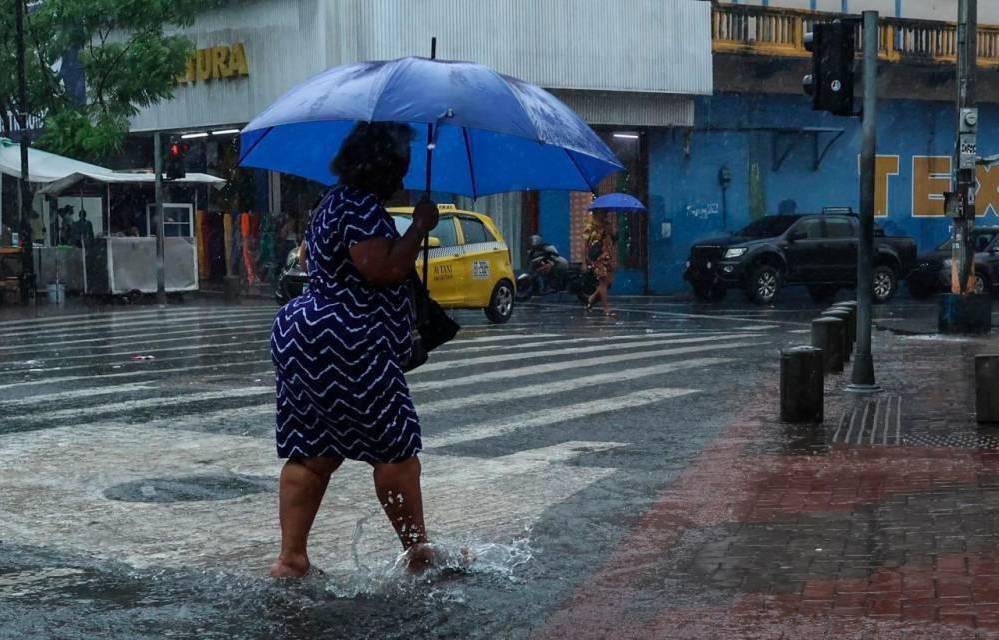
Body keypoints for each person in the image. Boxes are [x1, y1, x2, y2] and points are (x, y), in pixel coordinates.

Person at [269, 122, 440, 578]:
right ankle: (419, 555)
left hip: (306, 333)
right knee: (395, 450)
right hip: (350, 340)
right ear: (386, 167)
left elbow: (314, 260)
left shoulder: (330, 203)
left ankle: (291, 559)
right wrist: (419, 227)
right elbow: (380, 268)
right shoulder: (361, 206)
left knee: (315, 449)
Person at [584, 210, 617, 317]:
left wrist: (611, 231)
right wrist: (586, 260)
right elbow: (586, 244)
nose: (605, 214)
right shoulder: (590, 227)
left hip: (608, 256)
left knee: (609, 282)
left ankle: (592, 298)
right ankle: (606, 308)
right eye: (603, 212)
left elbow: (613, 239)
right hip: (598, 258)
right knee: (603, 282)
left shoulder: (607, 225)